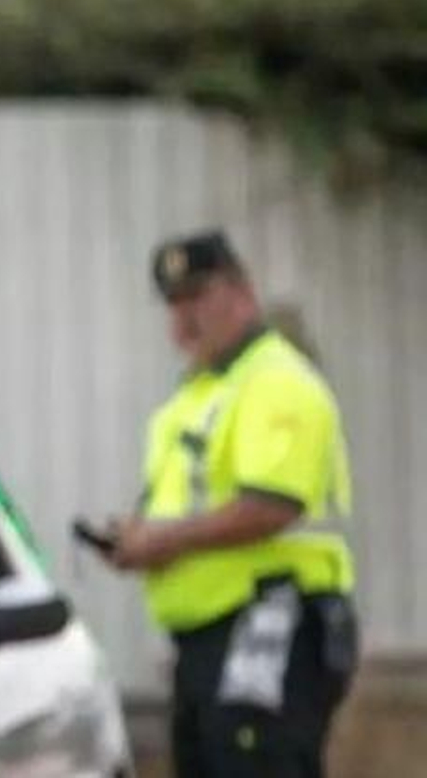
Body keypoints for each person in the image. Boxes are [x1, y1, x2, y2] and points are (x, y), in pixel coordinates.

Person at [102, 230, 357, 778]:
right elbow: (188, 503)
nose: (184, 318)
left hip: (270, 626)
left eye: (198, 297)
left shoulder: (275, 381)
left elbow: (270, 506)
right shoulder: (195, 396)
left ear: (242, 291)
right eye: (173, 303)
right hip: (208, 641)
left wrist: (159, 541)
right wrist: (137, 537)